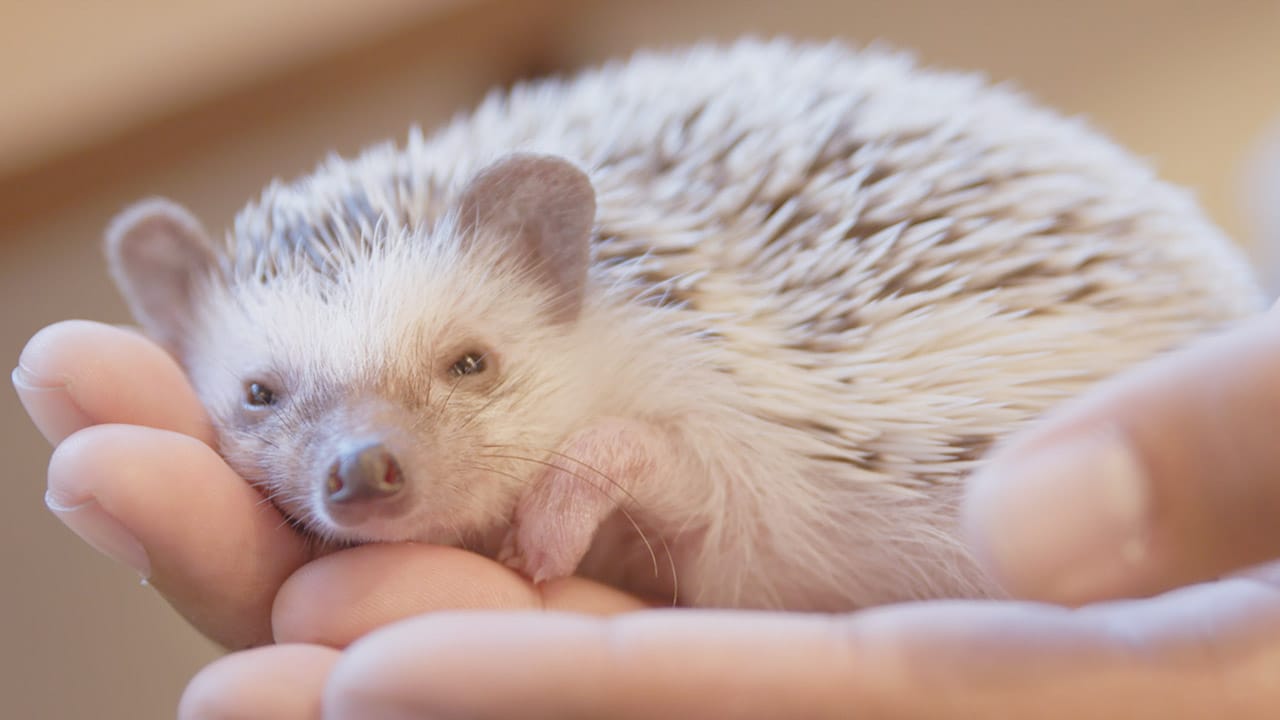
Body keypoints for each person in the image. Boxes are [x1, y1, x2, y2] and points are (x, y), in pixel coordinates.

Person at [15, 310, 1280, 719]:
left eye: (464, 368)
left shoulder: (662, 368)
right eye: (263, 399)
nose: (358, 461)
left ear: (559, 284)